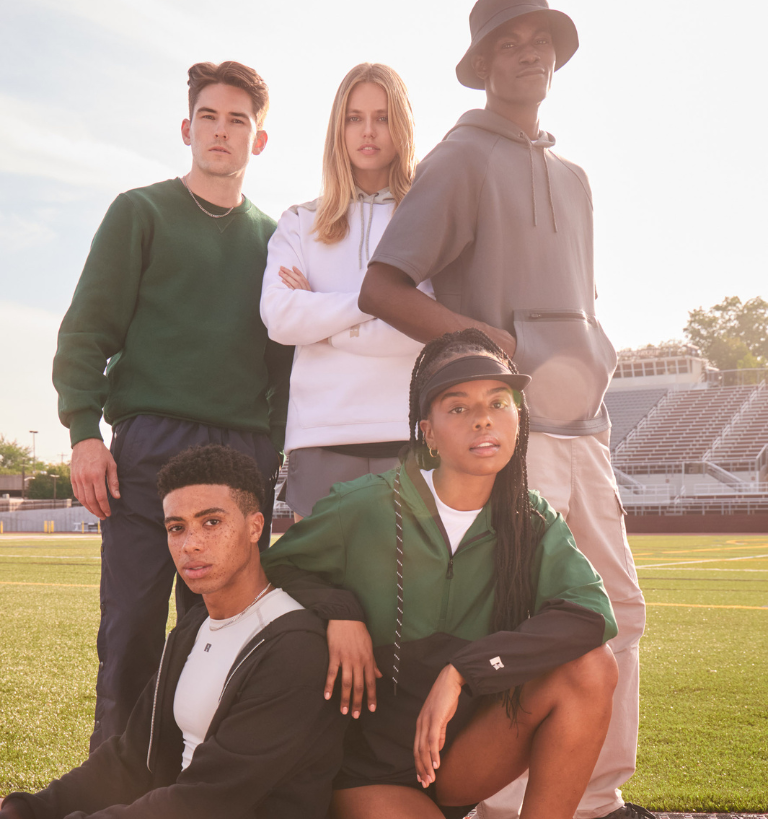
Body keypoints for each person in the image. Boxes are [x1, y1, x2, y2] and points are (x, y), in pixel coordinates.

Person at [357, 2, 648, 817]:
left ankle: (596, 799)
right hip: (514, 434)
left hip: (586, 431)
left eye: (540, 42)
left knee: (619, 612)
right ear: (483, 63)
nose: (529, 55)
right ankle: (502, 804)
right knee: (530, 625)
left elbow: (580, 299)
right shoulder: (459, 160)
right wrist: (483, 339)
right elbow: (381, 286)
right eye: (509, 44)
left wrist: (596, 356)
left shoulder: (576, 177)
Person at [262, 329, 619, 819]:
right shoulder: (363, 504)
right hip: (369, 770)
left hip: (460, 759)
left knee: (591, 667)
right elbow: (277, 570)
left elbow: (590, 615)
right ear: (427, 432)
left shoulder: (530, 522)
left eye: (499, 402)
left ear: (519, 418)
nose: (483, 420)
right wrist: (340, 612)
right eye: (458, 407)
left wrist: (464, 671)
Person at [51, 61, 294, 751]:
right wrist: (82, 431)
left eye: (238, 121)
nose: (222, 132)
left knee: (220, 632)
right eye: (210, 118)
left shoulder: (276, 241)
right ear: (188, 129)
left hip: (240, 452)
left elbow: (286, 367)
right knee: (128, 628)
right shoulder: (141, 212)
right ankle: (114, 784)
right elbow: (86, 330)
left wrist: (268, 455)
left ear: (260, 139)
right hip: (149, 447)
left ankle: (202, 784)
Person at [0, 445, 345, 819]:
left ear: (255, 527)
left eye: (212, 522)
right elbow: (130, 757)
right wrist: (25, 809)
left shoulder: (293, 646)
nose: (190, 544)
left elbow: (208, 801)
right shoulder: (193, 626)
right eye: (176, 527)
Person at [260, 62, 430, 521]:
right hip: (318, 438)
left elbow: (428, 328)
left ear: (402, 126)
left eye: (382, 116)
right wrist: (378, 300)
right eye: (354, 117)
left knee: (405, 595)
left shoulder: (430, 221)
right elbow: (281, 318)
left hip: (408, 436)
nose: (368, 131)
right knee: (319, 595)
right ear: (339, 128)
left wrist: (321, 316)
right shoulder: (300, 220)